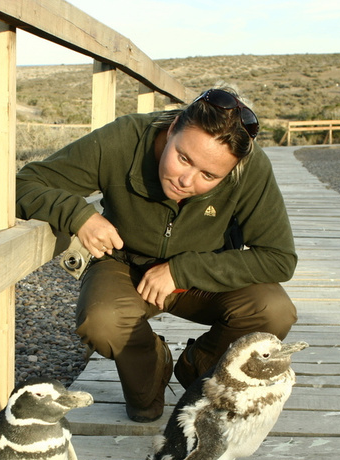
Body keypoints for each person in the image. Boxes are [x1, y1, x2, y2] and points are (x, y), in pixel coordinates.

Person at [16, 88, 298, 422]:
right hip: (124, 263)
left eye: (208, 176)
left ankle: (198, 370)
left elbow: (280, 257)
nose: (185, 180)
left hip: (204, 273)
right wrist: (79, 216)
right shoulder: (124, 138)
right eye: (183, 157)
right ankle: (154, 364)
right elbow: (25, 183)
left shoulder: (250, 167)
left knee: (274, 312)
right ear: (174, 126)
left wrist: (183, 270)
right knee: (108, 334)